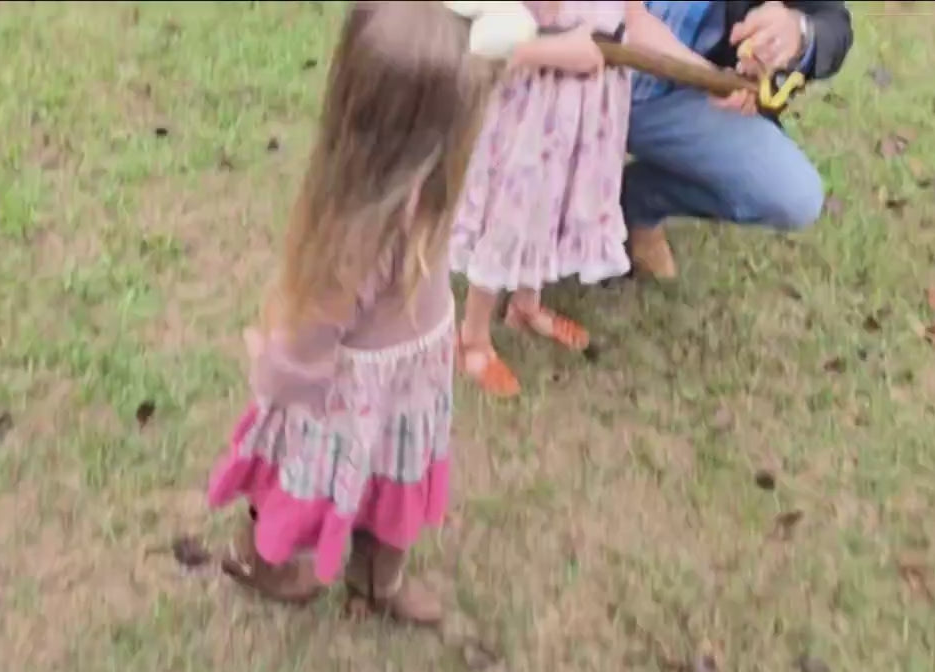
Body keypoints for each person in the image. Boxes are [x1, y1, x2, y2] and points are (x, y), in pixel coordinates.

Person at [206, 1, 492, 626]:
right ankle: (267, 563)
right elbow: (308, 338)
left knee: (394, 491)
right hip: (349, 400)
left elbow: (496, 64)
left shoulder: (435, 178)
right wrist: (278, 375)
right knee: (305, 488)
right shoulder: (363, 233)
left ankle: (378, 582)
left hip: (410, 388)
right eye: (463, 114)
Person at [451, 1, 722, 398]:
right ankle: (472, 341)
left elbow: (636, 23)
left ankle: (526, 305)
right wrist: (558, 52)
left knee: (553, 207)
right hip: (533, 109)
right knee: (510, 215)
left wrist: (710, 77)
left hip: (587, 116)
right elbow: (499, 38)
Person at [624, 1, 854, 279]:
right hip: (585, 70)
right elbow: (625, 24)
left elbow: (834, 23)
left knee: (793, 194)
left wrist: (797, 33)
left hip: (678, 96)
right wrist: (710, 78)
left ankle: (634, 201)